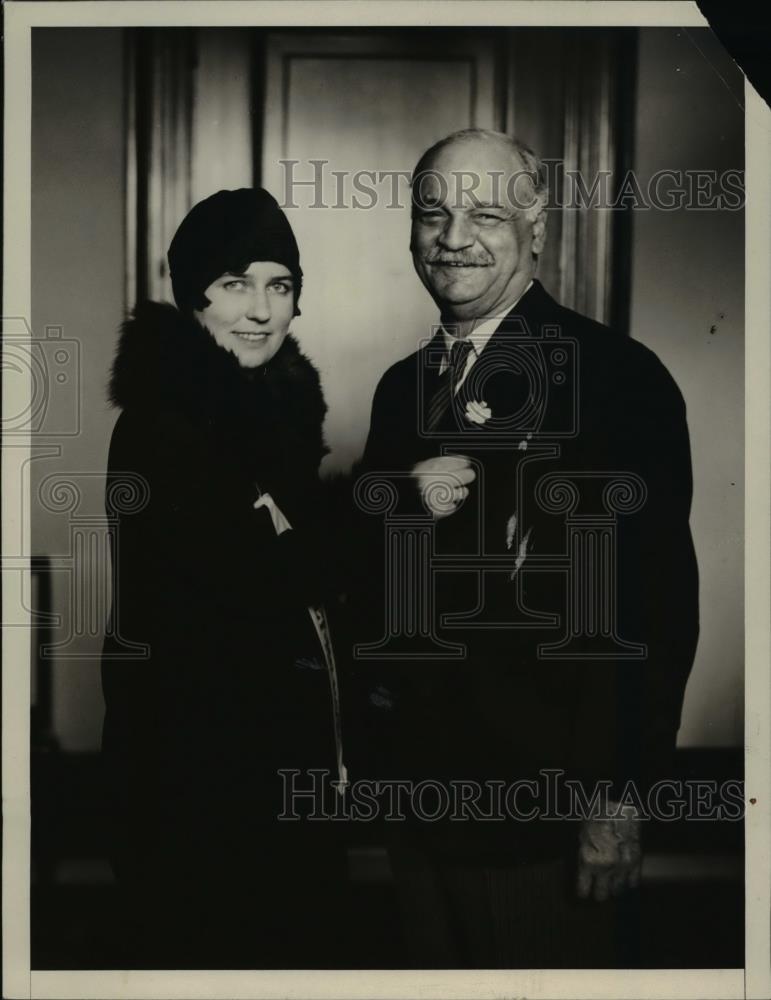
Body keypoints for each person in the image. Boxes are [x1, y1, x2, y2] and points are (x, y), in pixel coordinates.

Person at [353, 129, 699, 967]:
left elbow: (653, 606)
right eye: (432, 214)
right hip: (416, 805)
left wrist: (617, 798)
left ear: (535, 228)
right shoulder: (402, 388)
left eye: (483, 215)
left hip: (543, 818)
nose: (452, 238)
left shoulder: (614, 377)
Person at [101, 188, 349, 969]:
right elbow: (257, 584)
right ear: (192, 294)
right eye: (235, 283)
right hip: (196, 784)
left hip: (264, 770)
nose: (261, 310)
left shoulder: (263, 417)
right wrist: (395, 506)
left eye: (280, 285)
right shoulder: (164, 425)